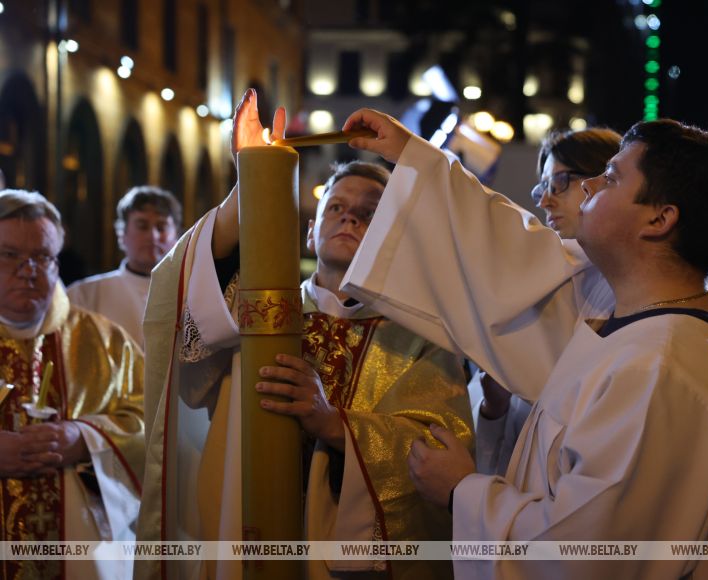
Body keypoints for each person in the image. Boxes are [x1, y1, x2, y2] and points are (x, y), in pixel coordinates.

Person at [339, 110, 708, 578]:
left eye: (611, 178)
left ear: (660, 219)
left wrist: (461, 490)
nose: (588, 187)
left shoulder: (659, 368)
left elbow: (583, 557)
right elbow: (518, 257)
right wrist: (415, 158)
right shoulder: (637, 310)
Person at [136, 89, 473, 580]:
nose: (350, 217)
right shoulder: (251, 313)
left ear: (395, 236)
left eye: (370, 211)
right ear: (310, 232)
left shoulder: (421, 335)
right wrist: (251, 184)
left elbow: (443, 449)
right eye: (336, 207)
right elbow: (178, 302)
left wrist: (333, 424)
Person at [0, 189, 144, 579]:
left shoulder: (104, 341)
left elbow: (156, 421)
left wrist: (84, 438)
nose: (28, 269)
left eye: (43, 256)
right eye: (9, 255)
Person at [473, 127, 621, 476]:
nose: (544, 201)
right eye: (542, 187)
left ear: (606, 181)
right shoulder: (539, 288)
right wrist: (495, 407)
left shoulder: (629, 290)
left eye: (560, 182)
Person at [67, 186, 182, 347]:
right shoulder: (83, 296)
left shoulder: (192, 293)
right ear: (122, 234)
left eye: (161, 227)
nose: (153, 236)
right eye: (142, 226)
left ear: (177, 236)